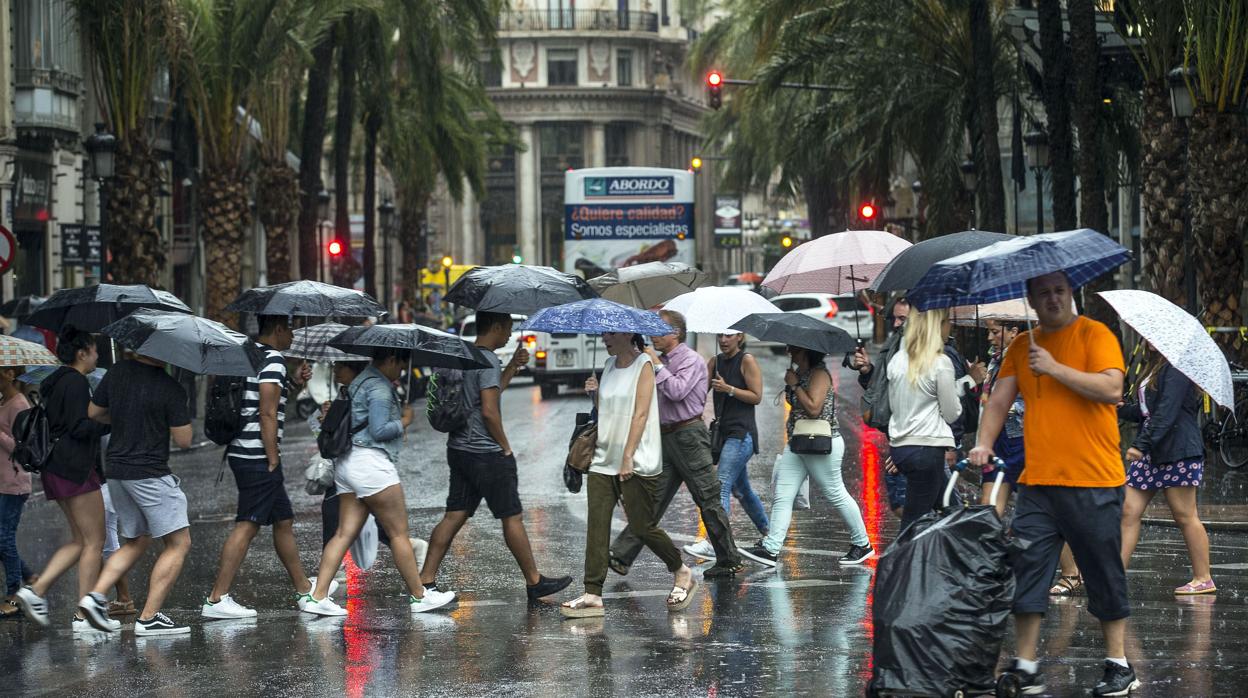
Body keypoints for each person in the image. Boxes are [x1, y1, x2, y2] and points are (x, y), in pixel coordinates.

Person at [970, 271, 1137, 696]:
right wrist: (983, 444)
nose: (1053, 299)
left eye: (1059, 291)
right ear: (1030, 300)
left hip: (1094, 479)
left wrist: (1054, 368)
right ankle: (1026, 666)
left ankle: (1119, 665)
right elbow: (999, 400)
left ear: (1071, 293)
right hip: (1039, 483)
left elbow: (1111, 387)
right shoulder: (1022, 346)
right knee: (1027, 571)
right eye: (1043, 293)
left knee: (1102, 571)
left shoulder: (1094, 334)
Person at [420, 311, 571, 601]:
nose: (508, 335)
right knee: (511, 517)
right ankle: (534, 581)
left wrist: (513, 365)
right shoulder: (487, 359)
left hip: (459, 449)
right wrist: (505, 447)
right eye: (508, 329)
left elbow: (487, 393)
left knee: (454, 515)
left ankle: (425, 581)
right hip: (486, 453)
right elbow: (489, 410)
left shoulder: (466, 355)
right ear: (498, 326)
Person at [302, 348, 457, 615]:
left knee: (343, 533)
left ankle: (318, 597)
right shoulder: (379, 388)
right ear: (392, 359)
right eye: (401, 365)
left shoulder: (358, 382)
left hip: (347, 465)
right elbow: (379, 429)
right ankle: (420, 596)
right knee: (398, 534)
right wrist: (404, 421)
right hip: (372, 466)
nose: (402, 372)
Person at [560, 332, 695, 617]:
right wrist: (595, 394)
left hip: (635, 458)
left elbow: (641, 414)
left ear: (626, 333)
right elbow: (608, 411)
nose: (604, 337)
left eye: (610, 333)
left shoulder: (644, 364)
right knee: (597, 524)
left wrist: (628, 456)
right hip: (603, 457)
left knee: (642, 525)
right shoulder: (608, 365)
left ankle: (681, 571)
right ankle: (592, 593)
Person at [609, 311, 745, 577]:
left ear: (676, 333)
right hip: (665, 436)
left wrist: (657, 365)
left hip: (689, 435)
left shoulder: (691, 360)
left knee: (707, 498)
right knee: (653, 499)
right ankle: (622, 555)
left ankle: (729, 559)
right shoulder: (655, 360)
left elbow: (677, 391)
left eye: (659, 331)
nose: (654, 337)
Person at [204, 315, 320, 619]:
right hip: (257, 455)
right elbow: (267, 413)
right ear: (278, 329)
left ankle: (304, 588)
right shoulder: (273, 359)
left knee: (283, 520)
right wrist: (272, 458)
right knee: (248, 523)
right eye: (291, 328)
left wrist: (295, 383)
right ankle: (217, 598)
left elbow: (265, 401)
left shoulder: (250, 353)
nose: (294, 334)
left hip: (243, 451)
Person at [77, 353, 194, 634]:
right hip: (149, 472)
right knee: (179, 542)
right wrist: (173, 410)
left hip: (116, 469)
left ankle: (95, 597)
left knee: (136, 540)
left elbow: (93, 412)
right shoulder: (170, 387)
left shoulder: (117, 372)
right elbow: (185, 439)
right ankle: (149, 617)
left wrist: (123, 417)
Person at [738, 343, 874, 568]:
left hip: (821, 442)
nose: (790, 352)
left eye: (795, 349)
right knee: (783, 494)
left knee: (835, 493)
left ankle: (863, 544)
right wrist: (793, 383)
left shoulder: (820, 374)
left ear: (807, 352)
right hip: (799, 442)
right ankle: (771, 549)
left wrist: (794, 385)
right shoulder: (801, 373)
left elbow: (813, 408)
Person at [14, 327, 114, 631]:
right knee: (95, 540)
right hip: (74, 468)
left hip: (56, 468)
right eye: (94, 349)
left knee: (80, 540)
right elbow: (78, 427)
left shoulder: (54, 379)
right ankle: (84, 613)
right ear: (82, 352)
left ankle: (37, 591)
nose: (97, 355)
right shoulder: (75, 382)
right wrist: (109, 423)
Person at [1119, 350, 1213, 595]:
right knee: (1128, 510)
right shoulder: (1154, 367)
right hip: (1153, 449)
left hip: (1176, 449)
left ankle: (1203, 578)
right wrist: (1119, 408)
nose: (1147, 339)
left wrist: (1141, 445)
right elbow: (1147, 412)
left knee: (1184, 515)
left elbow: (1167, 412)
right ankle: (1114, 574)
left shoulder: (1176, 367)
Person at [683, 331, 769, 558]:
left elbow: (757, 396)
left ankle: (715, 542)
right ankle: (770, 536)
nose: (723, 340)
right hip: (723, 435)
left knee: (719, 484)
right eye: (720, 335)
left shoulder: (746, 360)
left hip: (742, 434)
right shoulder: (715, 362)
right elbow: (700, 393)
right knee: (742, 490)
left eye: (729, 336)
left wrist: (729, 389)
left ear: (739, 337)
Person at [885, 308, 963, 530]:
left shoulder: (898, 360)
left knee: (951, 510)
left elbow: (894, 406)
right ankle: (899, 563)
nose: (950, 326)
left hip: (901, 447)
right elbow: (952, 413)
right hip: (927, 448)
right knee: (914, 521)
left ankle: (953, 559)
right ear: (936, 326)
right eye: (946, 321)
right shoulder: (940, 362)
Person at [851, 297, 909, 517]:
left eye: (902, 318)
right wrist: (868, 371)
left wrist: (905, 449)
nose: (895, 324)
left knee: (908, 506)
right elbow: (884, 389)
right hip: (900, 438)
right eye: (894, 318)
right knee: (902, 504)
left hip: (915, 442)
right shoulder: (894, 346)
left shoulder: (928, 353)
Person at [979, 319, 1026, 516]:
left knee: (1027, 510)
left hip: (1021, 441)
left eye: (995, 332)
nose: (990, 337)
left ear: (1013, 331)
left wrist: (1005, 407)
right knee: (988, 508)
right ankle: (989, 542)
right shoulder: (995, 360)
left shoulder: (1026, 358)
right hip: (997, 439)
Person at [0, 364, 33, 619]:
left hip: (14, 482)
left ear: (11, 374)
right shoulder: (4, 402)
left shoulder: (20, 404)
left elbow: (22, 447)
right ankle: (29, 575)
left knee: (5, 538)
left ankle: (14, 595)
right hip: (3, 481)